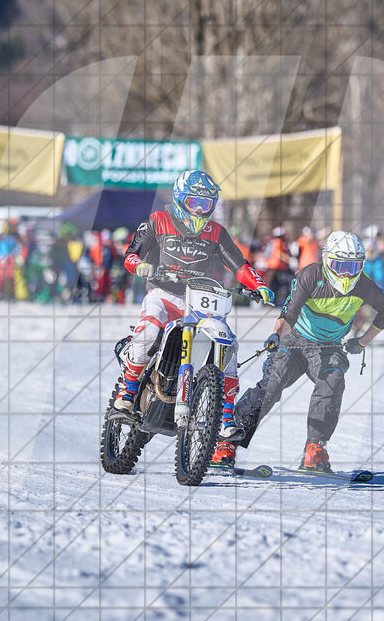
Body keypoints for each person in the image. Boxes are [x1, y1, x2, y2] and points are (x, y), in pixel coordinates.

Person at [111, 170, 275, 469]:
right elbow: (131, 254)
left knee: (227, 345)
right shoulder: (158, 220)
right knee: (148, 332)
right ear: (179, 198)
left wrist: (258, 284)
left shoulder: (216, 232)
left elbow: (239, 264)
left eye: (205, 203)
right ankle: (128, 390)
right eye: (193, 202)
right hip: (163, 293)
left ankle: (225, 419)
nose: (200, 210)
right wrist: (142, 267)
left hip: (201, 300)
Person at [231, 231, 384, 472]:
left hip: (329, 346)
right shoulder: (309, 276)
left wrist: (362, 341)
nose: (347, 273)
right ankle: (227, 441)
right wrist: (276, 336)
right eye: (341, 265)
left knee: (332, 381)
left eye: (354, 266)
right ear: (328, 261)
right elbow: (289, 313)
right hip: (293, 341)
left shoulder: (364, 285)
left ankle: (315, 448)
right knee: (271, 387)